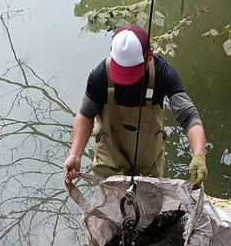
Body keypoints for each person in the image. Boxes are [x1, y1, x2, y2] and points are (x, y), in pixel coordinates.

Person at [63, 25, 207, 188]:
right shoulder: (100, 75)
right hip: (110, 154)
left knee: (151, 202)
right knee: (111, 202)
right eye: (122, 70)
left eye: (132, 70)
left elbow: (188, 116)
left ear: (150, 55)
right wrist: (75, 154)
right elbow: (86, 116)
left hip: (148, 157)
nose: (127, 80)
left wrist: (199, 155)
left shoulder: (163, 73)